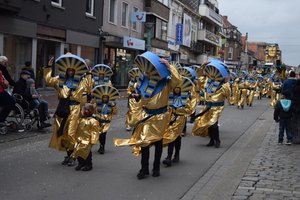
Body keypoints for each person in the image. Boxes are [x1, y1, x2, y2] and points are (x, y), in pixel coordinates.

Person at [114, 52, 181, 179]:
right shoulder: (143, 82)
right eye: (147, 71)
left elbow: (178, 80)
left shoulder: (166, 83)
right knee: (144, 142)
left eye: (151, 70)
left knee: (158, 142)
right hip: (146, 115)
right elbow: (142, 98)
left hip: (160, 116)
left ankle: (156, 168)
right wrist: (136, 97)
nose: (147, 73)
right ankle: (144, 168)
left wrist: (168, 66)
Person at [44, 55, 92, 167]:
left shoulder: (82, 81)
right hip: (63, 110)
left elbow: (88, 91)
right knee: (63, 134)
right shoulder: (60, 81)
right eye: (68, 70)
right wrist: (48, 67)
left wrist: (89, 75)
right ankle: (69, 154)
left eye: (72, 70)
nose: (70, 72)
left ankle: (74, 156)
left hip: (76, 110)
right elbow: (48, 80)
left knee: (71, 132)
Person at [192, 60, 230, 148]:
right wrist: (202, 67)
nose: (212, 77)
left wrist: (226, 82)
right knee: (207, 123)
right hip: (207, 106)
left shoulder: (222, 85)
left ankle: (217, 140)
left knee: (213, 124)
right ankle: (212, 140)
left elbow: (227, 94)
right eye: (211, 75)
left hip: (217, 107)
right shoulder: (208, 84)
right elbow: (200, 80)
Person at [162, 77, 196, 166]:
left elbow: (190, 110)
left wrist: (178, 109)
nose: (176, 89)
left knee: (173, 136)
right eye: (175, 88)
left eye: (178, 88)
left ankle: (170, 156)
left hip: (180, 119)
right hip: (170, 119)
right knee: (174, 137)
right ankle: (174, 155)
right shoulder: (169, 98)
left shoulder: (186, 99)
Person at [70, 103, 101, 171]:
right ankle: (81, 163)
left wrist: (93, 140)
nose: (81, 112)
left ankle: (88, 165)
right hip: (79, 139)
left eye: (82, 110)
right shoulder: (81, 119)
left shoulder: (92, 121)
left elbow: (95, 131)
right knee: (78, 151)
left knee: (87, 153)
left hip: (87, 140)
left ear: (87, 111)